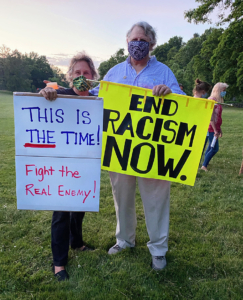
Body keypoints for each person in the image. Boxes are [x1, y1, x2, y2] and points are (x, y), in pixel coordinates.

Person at [90, 21, 185, 271]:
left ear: (151, 44)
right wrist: (60, 92)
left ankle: (158, 249)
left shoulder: (164, 71)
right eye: (134, 40)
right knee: (122, 197)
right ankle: (124, 240)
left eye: (143, 40)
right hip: (120, 148)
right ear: (127, 42)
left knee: (156, 199)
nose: (138, 44)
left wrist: (170, 94)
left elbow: (185, 105)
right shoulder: (113, 73)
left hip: (152, 149)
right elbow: (91, 97)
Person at [40, 52, 98, 281]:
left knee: (79, 205)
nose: (82, 77)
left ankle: (77, 243)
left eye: (86, 73)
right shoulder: (61, 96)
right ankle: (59, 263)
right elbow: (42, 98)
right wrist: (45, 93)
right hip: (60, 166)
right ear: (69, 77)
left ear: (93, 76)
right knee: (62, 210)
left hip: (84, 162)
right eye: (77, 73)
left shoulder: (96, 100)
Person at [201, 82, 229, 172]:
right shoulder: (211, 100)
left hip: (215, 128)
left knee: (210, 146)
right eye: (223, 90)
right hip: (210, 128)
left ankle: (205, 162)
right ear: (218, 90)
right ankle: (204, 165)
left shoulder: (218, 101)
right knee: (214, 148)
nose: (224, 92)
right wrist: (215, 130)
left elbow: (218, 116)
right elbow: (211, 117)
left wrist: (219, 129)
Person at [192, 79, 212, 161]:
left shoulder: (190, 100)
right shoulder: (204, 103)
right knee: (198, 151)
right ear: (203, 91)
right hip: (201, 131)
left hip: (193, 129)